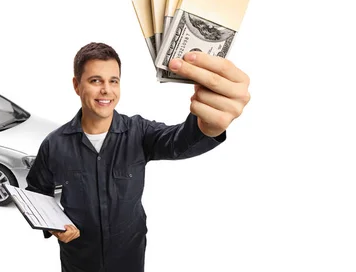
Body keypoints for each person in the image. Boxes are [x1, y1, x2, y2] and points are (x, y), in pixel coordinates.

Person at [25, 42, 251, 272]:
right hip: (79, 261)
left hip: (128, 259)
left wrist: (206, 127)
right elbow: (36, 192)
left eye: (113, 81)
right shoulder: (55, 143)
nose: (106, 89)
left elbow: (178, 142)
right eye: (96, 81)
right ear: (76, 85)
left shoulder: (138, 132)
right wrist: (55, 226)